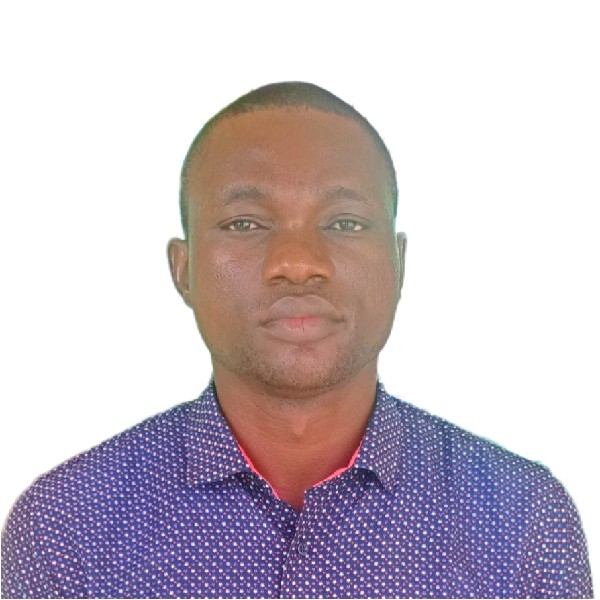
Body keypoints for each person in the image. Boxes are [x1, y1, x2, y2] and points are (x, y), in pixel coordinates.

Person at [1, 82, 592, 599]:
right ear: (183, 270)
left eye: (345, 223)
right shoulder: (66, 530)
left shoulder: (522, 523)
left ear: (398, 264)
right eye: (245, 223)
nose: (298, 263)